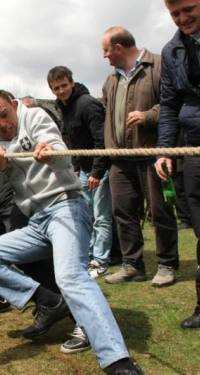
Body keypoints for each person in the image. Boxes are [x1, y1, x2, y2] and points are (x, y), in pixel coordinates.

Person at [0, 90, 142, 374]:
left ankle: (117, 361)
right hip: (35, 221)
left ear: (13, 106)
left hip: (66, 208)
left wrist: (49, 154)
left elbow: (63, 156)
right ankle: (49, 301)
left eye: (4, 115)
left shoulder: (35, 116)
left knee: (70, 275)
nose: (3, 125)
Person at [101, 27, 179, 287]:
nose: (104, 56)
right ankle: (132, 265)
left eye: (106, 50)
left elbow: (172, 104)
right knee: (122, 213)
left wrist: (148, 116)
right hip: (120, 159)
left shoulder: (158, 65)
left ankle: (167, 265)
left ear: (119, 47)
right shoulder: (111, 80)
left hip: (152, 154)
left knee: (161, 212)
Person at [155, 0, 200, 329]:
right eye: (175, 13)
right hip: (194, 149)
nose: (182, 18)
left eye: (189, 9)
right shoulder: (171, 51)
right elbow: (169, 106)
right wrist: (165, 150)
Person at [47, 66, 112, 278]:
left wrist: (97, 172)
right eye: (56, 88)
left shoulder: (88, 104)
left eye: (64, 85)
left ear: (72, 83)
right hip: (82, 169)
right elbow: (71, 142)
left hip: (98, 170)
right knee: (86, 216)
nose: (61, 91)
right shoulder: (62, 107)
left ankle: (100, 260)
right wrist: (75, 167)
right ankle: (91, 254)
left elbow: (101, 140)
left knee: (101, 216)